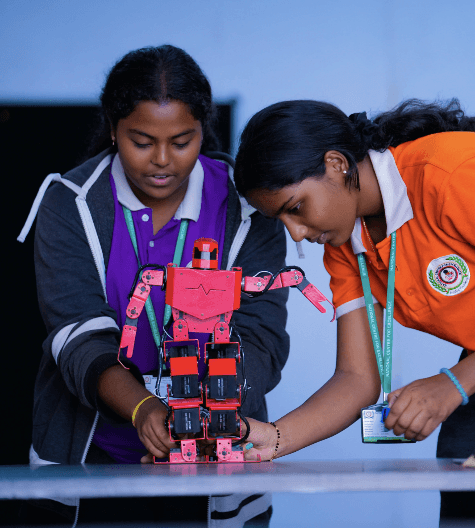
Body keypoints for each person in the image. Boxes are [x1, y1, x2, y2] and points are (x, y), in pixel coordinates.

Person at [233, 99, 475, 526]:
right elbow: (357, 378)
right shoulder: (346, 246)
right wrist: (274, 439)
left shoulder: (452, 174)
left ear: (336, 165)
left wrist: (451, 386)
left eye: (296, 208)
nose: (296, 233)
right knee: (469, 497)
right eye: (282, 220)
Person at [17, 45, 286, 526]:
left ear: (204, 128)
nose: (162, 161)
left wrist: (209, 419)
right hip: (91, 455)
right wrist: (143, 407)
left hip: (216, 454)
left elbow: (262, 333)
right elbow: (76, 333)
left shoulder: (249, 205)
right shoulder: (69, 203)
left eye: (182, 141)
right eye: (141, 141)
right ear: (113, 129)